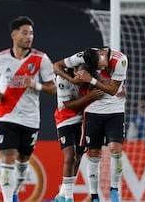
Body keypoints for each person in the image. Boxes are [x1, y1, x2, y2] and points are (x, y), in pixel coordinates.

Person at [0, 16, 56, 202]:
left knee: (23, 162)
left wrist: (35, 85)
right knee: (8, 158)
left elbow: (53, 87)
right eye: (25, 32)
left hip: (30, 119)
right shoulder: (0, 58)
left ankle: (13, 194)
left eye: (31, 33)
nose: (29, 36)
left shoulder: (41, 59)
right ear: (14, 35)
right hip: (6, 116)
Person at [53, 46, 128, 202]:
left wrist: (91, 81)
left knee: (106, 152)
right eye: (97, 69)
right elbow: (56, 66)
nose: (102, 69)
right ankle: (77, 196)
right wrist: (73, 80)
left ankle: (114, 191)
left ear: (102, 54)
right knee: (75, 156)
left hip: (102, 112)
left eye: (101, 67)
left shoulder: (119, 60)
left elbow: (113, 90)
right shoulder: (66, 75)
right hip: (70, 117)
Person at [54, 63, 104, 202]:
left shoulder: (90, 79)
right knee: (70, 157)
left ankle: (62, 195)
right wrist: (89, 97)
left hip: (82, 120)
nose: (81, 79)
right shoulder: (63, 79)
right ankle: (69, 198)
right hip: (64, 120)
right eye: (79, 75)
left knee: (78, 158)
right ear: (75, 71)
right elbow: (68, 105)